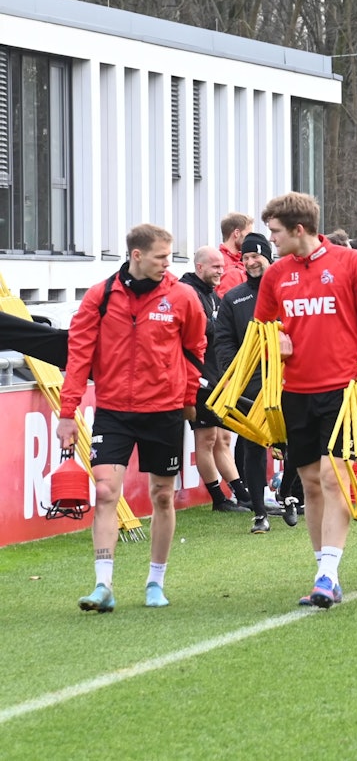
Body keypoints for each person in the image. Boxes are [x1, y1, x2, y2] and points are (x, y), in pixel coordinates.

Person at [58, 224, 207, 612]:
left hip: (165, 411)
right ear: (136, 256)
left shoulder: (182, 296)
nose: (167, 265)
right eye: (160, 257)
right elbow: (78, 358)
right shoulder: (100, 297)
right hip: (114, 412)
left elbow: (195, 350)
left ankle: (155, 582)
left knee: (161, 496)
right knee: (106, 491)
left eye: (169, 257)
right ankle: (103, 585)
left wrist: (189, 397)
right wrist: (67, 413)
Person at [253, 192, 357, 608]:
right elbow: (261, 328)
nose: (270, 240)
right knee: (311, 482)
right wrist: (278, 340)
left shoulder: (351, 264)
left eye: (274, 232)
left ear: (298, 229)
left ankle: (328, 573)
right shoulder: (276, 276)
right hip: (296, 392)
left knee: (334, 478)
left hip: (345, 390)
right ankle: (322, 572)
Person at [215, 232, 292, 531]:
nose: (250, 262)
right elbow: (223, 341)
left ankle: (289, 495)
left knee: (293, 444)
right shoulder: (234, 299)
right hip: (251, 387)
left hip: (289, 381)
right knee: (253, 447)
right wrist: (233, 373)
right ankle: (259, 511)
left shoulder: (287, 291)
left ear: (267, 256)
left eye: (255, 256)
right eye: (245, 257)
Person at [179, 246, 254, 517]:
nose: (222, 271)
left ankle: (241, 494)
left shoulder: (212, 295)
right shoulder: (188, 293)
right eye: (216, 267)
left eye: (223, 266)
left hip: (216, 376)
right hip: (197, 377)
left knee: (223, 436)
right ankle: (218, 497)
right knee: (207, 437)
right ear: (200, 267)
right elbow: (200, 332)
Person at [215, 212, 255, 298]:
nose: (250, 239)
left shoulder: (240, 260)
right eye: (248, 235)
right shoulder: (224, 264)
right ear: (237, 233)